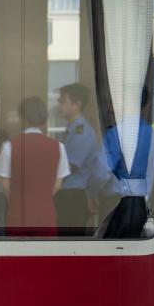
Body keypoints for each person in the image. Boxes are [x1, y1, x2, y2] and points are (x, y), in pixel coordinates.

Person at [0, 97, 70, 234]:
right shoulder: (59, 147)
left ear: (22, 118)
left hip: (17, 215)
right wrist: (43, 198)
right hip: (46, 215)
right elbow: (58, 185)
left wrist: (15, 202)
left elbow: (5, 184)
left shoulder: (9, 146)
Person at [93, 116, 154, 239]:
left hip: (116, 202)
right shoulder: (153, 135)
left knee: (110, 244)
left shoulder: (116, 132)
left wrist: (92, 192)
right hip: (143, 201)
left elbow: (102, 170)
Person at [55, 84, 100, 235]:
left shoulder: (82, 132)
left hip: (72, 198)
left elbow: (69, 167)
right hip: (65, 195)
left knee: (68, 242)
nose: (59, 105)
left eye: (63, 101)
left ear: (77, 104)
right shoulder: (71, 129)